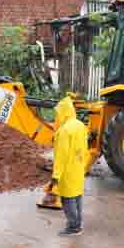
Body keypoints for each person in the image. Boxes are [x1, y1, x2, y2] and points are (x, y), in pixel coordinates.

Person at [51, 96, 89, 236]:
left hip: (67, 170)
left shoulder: (64, 131)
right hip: (78, 168)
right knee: (77, 196)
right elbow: (85, 149)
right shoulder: (80, 125)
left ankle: (73, 227)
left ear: (63, 112)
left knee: (67, 199)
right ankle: (78, 223)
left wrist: (56, 175)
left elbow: (61, 155)